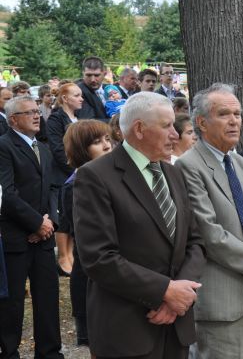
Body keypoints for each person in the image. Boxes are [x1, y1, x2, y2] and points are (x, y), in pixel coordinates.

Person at [73, 92, 206, 359]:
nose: (175, 135)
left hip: (174, 328)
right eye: (167, 126)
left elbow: (195, 241)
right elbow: (98, 257)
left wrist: (178, 295)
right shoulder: (96, 176)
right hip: (127, 331)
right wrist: (164, 291)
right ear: (139, 129)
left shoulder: (173, 173)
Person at [174, 83, 243, 359]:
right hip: (224, 304)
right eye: (224, 114)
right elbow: (210, 233)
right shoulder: (188, 166)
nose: (235, 120)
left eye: (237, 113)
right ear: (201, 122)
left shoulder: (240, 164)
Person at [0, 95, 63, 359]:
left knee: (48, 299)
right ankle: (9, 352)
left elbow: (52, 189)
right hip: (16, 237)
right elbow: (7, 193)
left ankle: (49, 353)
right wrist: (36, 223)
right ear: (14, 119)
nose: (37, 116)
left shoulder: (44, 149)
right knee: (12, 303)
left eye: (38, 111)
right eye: (29, 113)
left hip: (44, 237)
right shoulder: (4, 146)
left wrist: (49, 223)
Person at [61, 119, 113, 346]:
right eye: (97, 142)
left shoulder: (110, 176)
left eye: (108, 139)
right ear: (82, 149)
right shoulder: (76, 184)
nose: (107, 146)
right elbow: (87, 240)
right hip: (93, 280)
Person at [46, 83, 83, 276]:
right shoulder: (55, 119)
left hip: (78, 171)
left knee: (73, 214)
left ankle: (71, 255)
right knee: (63, 216)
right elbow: (58, 149)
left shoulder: (79, 118)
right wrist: (74, 169)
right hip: (63, 173)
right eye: (76, 95)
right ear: (65, 98)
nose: (81, 98)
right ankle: (63, 257)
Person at [77, 56, 109, 121]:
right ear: (83, 74)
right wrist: (117, 122)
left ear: (104, 74)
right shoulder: (78, 92)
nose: (93, 80)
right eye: (88, 75)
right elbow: (87, 122)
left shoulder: (110, 89)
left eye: (97, 75)